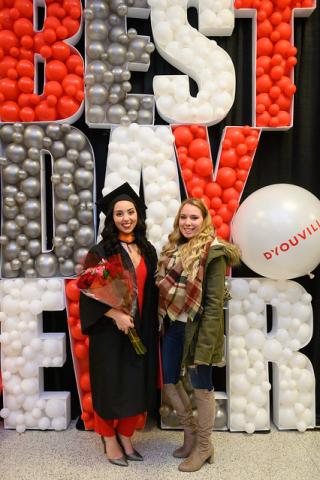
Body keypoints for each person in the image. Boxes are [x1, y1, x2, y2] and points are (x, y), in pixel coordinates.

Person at [156, 198, 240, 472]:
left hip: (200, 329)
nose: (188, 223)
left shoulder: (214, 253)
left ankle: (204, 447)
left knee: (202, 387)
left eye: (194, 218)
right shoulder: (172, 251)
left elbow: (215, 306)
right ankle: (190, 434)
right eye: (184, 218)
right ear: (178, 221)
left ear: (204, 220)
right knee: (169, 382)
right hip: (173, 327)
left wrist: (206, 346)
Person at [80, 182, 159, 467]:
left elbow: (152, 290)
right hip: (110, 332)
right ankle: (109, 438)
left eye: (130, 212)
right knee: (109, 383)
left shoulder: (148, 249)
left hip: (140, 328)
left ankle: (126, 435)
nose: (126, 218)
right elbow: (89, 290)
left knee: (136, 384)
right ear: (111, 219)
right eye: (119, 214)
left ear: (138, 214)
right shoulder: (101, 251)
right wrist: (116, 314)